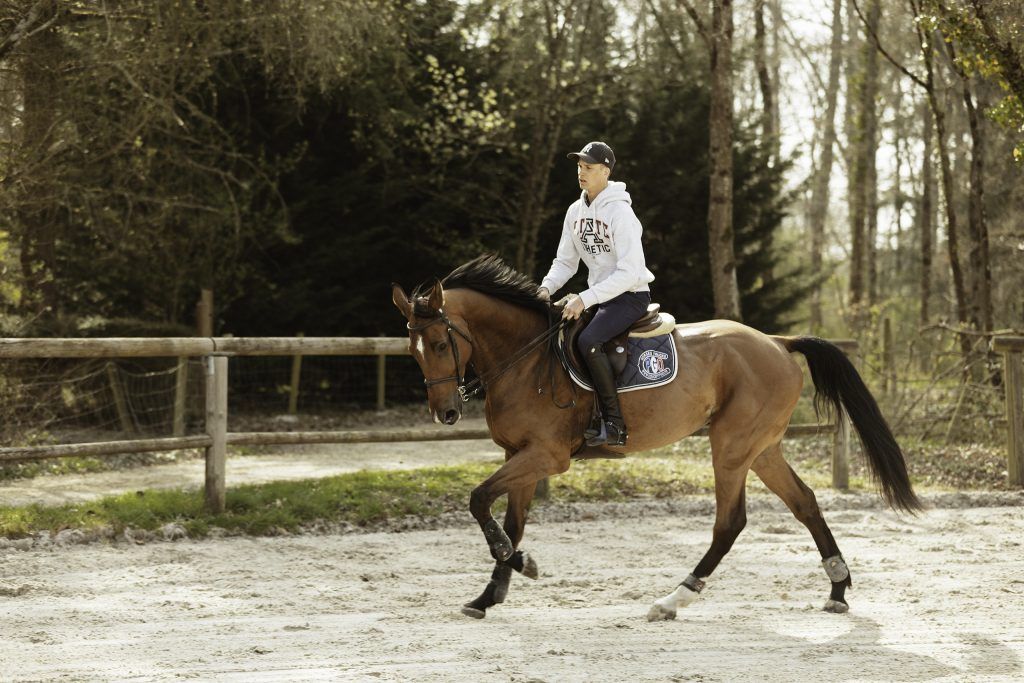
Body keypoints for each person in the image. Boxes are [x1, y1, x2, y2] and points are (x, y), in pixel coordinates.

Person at [537, 141, 655, 447]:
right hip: (600, 296)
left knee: (589, 340)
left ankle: (614, 425)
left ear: (605, 171)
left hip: (629, 296)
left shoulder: (621, 213)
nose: (581, 172)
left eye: (588, 167)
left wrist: (585, 298)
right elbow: (565, 262)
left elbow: (630, 271)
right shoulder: (575, 211)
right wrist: (545, 288)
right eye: (579, 166)